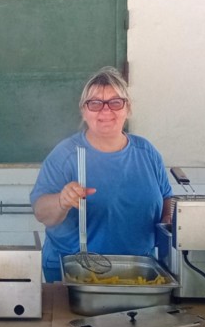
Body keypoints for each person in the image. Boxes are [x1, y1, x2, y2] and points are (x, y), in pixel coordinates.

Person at [30, 67, 173, 282]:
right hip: (76, 274)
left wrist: (168, 220)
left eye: (115, 102)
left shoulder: (147, 153)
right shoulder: (65, 155)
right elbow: (41, 212)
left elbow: (166, 197)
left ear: (128, 108)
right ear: (83, 111)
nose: (106, 111)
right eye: (95, 103)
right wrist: (62, 201)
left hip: (139, 272)